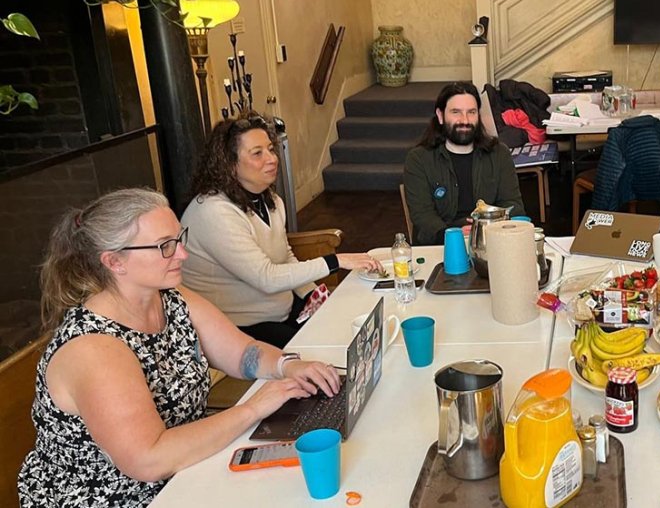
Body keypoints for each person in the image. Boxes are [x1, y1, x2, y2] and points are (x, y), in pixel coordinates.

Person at [18, 188, 341, 507]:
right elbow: (149, 460)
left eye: (178, 238)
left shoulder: (170, 297)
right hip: (121, 497)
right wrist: (254, 408)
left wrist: (288, 365)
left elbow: (242, 353)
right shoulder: (93, 348)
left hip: (186, 471)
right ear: (115, 261)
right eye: (165, 246)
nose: (182, 254)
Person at [182, 115, 381, 348]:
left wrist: (312, 295)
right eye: (257, 153)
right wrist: (335, 261)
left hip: (281, 310)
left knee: (356, 328)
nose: (272, 159)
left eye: (270, 149)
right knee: (324, 355)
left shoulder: (270, 200)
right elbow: (266, 278)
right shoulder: (213, 211)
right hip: (236, 328)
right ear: (230, 163)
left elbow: (284, 257)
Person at [403, 81, 526, 245]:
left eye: (472, 112)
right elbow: (423, 216)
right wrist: (454, 236)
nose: (465, 120)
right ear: (440, 116)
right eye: (456, 112)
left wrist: (489, 230)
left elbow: (513, 204)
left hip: (492, 241)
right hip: (441, 245)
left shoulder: (499, 154)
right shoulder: (419, 159)